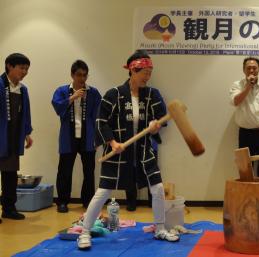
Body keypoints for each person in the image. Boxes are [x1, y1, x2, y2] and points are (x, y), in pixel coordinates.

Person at [77, 50, 177, 250]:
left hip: (143, 150)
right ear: (132, 70)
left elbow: (160, 115)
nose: (147, 77)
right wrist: (112, 142)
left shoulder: (152, 94)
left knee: (157, 188)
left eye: (150, 73)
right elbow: (101, 120)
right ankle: (85, 232)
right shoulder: (113, 94)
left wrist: (156, 124)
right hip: (118, 151)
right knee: (104, 191)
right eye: (144, 73)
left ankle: (159, 228)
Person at [51, 60, 101, 213]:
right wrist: (72, 98)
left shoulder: (93, 92)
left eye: (85, 75)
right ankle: (63, 202)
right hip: (68, 136)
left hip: (88, 137)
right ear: (72, 75)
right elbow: (57, 107)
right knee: (64, 170)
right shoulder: (62, 91)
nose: (82, 78)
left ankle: (88, 201)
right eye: (79, 75)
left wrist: (98, 138)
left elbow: (99, 116)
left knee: (89, 170)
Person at [229, 57, 259, 177]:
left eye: (254, 68)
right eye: (248, 68)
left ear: (258, 69)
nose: (251, 70)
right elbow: (235, 101)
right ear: (243, 70)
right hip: (245, 134)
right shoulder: (237, 85)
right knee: (245, 170)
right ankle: (248, 196)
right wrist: (248, 87)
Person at [0, 53, 33, 223]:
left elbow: (25, 114)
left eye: (27, 69)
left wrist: (27, 133)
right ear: (9, 66)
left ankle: (9, 208)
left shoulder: (22, 89)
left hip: (12, 138)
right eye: (21, 68)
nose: (25, 71)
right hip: (1, 135)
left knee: (10, 174)